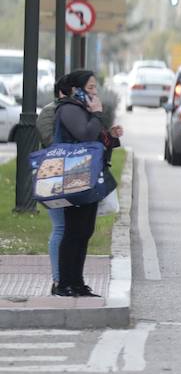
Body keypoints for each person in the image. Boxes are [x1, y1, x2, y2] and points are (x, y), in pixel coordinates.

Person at [52, 70, 123, 298]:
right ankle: (65, 283)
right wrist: (99, 115)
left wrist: (110, 136)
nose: (94, 92)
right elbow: (84, 136)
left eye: (95, 87)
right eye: (90, 88)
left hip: (86, 176)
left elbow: (94, 140)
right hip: (74, 177)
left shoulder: (83, 110)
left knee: (84, 230)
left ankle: (78, 282)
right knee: (74, 230)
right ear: (76, 89)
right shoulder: (69, 109)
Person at [37, 83, 71, 295]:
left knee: (67, 228)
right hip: (54, 176)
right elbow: (49, 142)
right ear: (62, 92)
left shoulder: (65, 110)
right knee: (59, 227)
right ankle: (58, 279)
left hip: (64, 174)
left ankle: (64, 278)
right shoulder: (51, 111)